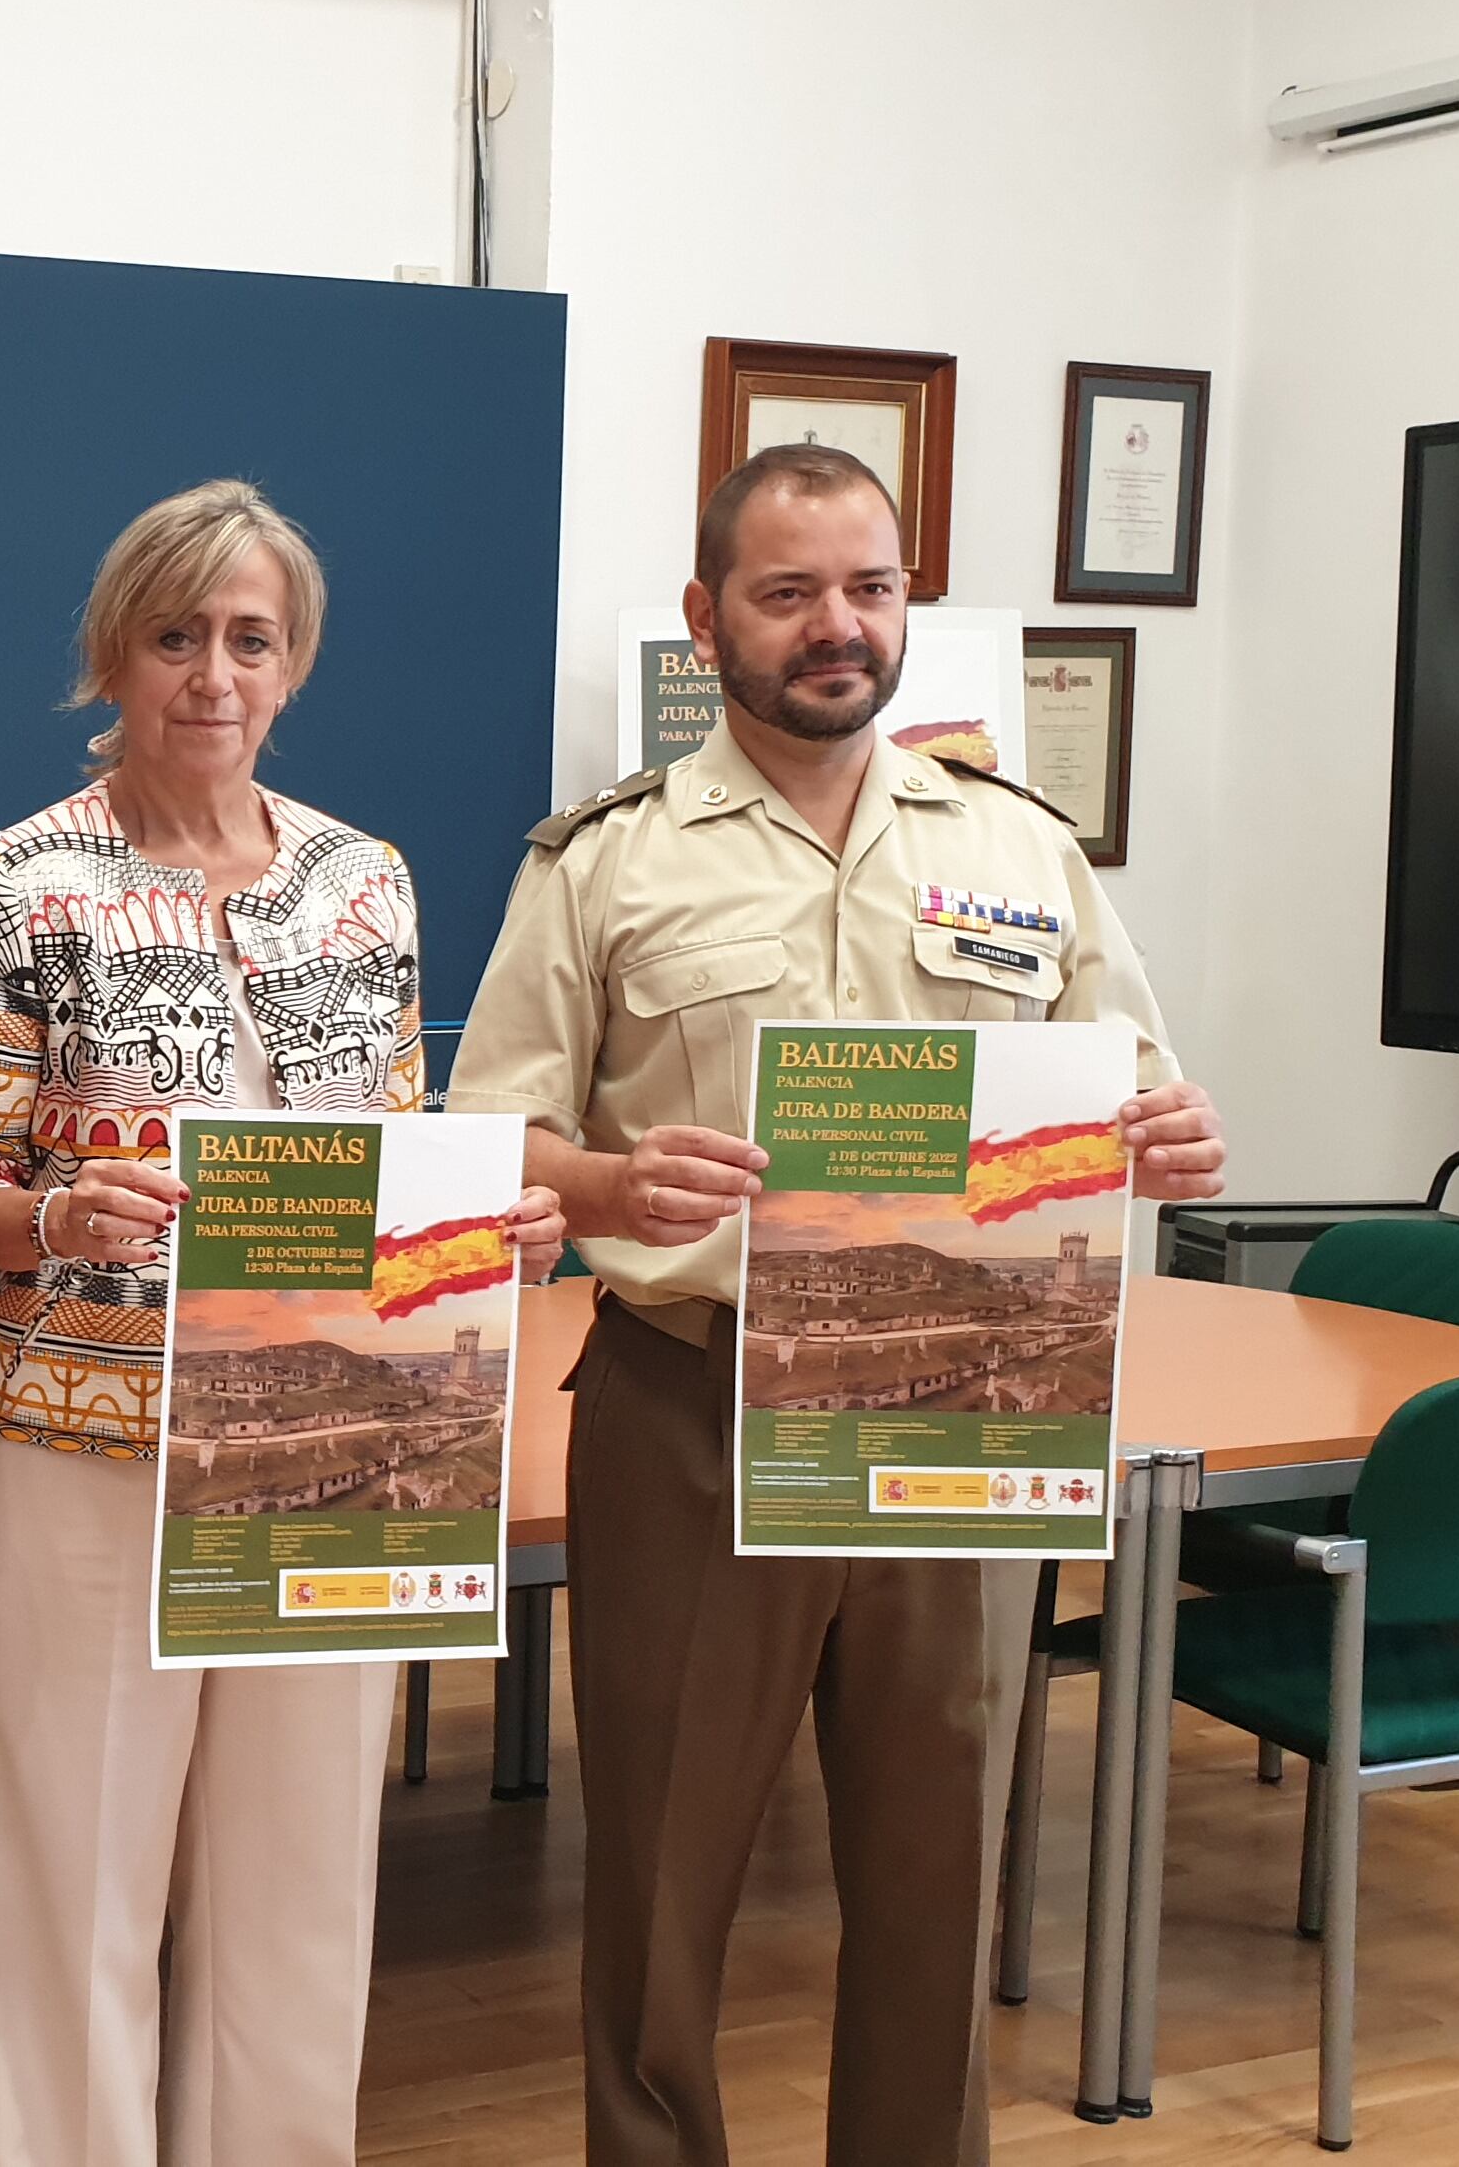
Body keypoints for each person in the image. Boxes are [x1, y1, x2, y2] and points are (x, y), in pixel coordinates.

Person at [446, 443, 1229, 2167]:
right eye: (788, 592)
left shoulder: (1020, 850)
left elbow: (1138, 1094)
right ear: (705, 615)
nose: (835, 627)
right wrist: (598, 1187)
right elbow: (486, 1132)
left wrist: (1170, 1137)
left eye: (868, 589)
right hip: (692, 1409)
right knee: (657, 1881)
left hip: (960, 1410)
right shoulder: (608, 862)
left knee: (940, 1870)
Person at [0, 480, 563, 2167]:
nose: (213, 672)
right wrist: (43, 1219)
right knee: (75, 1887)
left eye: (250, 639)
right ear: (115, 655)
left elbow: (404, 1155)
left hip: (325, 1446)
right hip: (84, 1450)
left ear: (295, 666)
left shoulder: (368, 883)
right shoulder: (20, 879)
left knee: (299, 1887)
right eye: (177, 634)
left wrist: (498, 1231)